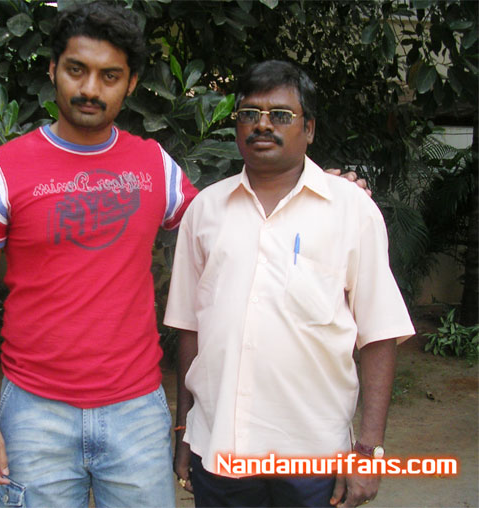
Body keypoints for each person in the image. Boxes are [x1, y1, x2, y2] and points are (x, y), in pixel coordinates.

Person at [0, 2, 196, 506]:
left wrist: (323, 192)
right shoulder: (2, 171)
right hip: (34, 414)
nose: (90, 89)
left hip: (137, 410)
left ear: (131, 83)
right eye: (76, 70)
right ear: (52, 70)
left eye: (110, 76)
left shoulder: (156, 166)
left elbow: (227, 228)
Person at [164, 60, 415, 508]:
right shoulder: (205, 211)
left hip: (313, 455)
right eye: (249, 113)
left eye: (280, 115)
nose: (263, 125)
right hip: (219, 447)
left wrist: (369, 451)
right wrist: (184, 430)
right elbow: (190, 330)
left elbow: (379, 334)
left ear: (309, 128)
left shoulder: (351, 210)